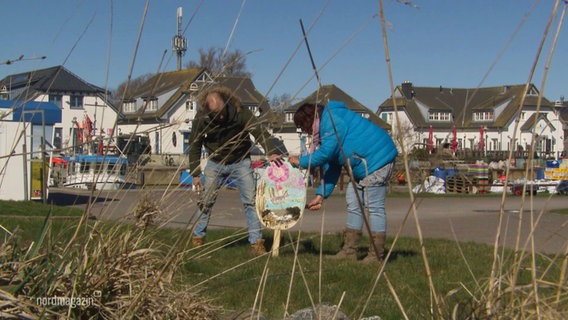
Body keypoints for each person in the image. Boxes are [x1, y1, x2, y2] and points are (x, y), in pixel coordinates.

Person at [288, 101, 398, 262]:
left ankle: (376, 254)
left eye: (303, 127)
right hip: (361, 167)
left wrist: (301, 161)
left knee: (374, 207)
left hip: (378, 160)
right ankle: (349, 251)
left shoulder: (331, 121)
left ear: (308, 121)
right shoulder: (327, 126)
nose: (305, 132)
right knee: (353, 203)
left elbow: (325, 154)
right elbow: (333, 166)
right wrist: (321, 195)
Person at [188, 86, 283, 256]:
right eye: (216, 115)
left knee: (250, 202)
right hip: (215, 163)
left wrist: (271, 151)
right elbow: (195, 144)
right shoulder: (201, 118)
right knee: (206, 202)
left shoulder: (241, 112)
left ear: (225, 103)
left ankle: (256, 243)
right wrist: (195, 174)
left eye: (222, 112)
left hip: (241, 161)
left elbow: (258, 131)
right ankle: (197, 238)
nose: (221, 117)